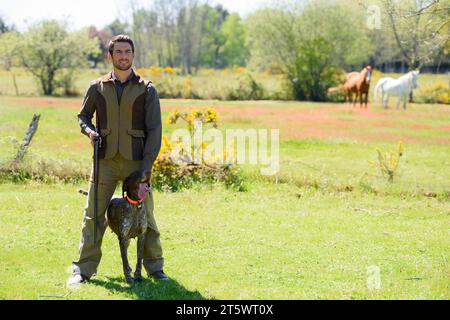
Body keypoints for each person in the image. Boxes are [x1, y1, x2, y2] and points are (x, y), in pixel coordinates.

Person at [67, 35, 167, 285]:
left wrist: (146, 166)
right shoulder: (97, 87)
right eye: (119, 52)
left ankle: (155, 269)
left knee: (146, 216)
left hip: (137, 165)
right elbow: (83, 117)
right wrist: (90, 131)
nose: (123, 56)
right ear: (110, 56)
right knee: (93, 215)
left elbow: (155, 129)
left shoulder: (147, 88)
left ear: (133, 55)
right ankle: (83, 270)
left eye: (128, 52)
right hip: (106, 162)